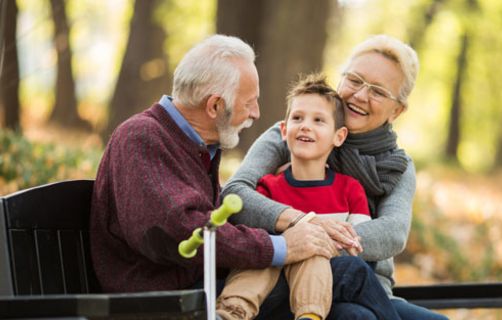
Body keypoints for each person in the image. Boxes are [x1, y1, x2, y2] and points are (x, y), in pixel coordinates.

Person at [89, 34, 404, 320]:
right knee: (349, 271)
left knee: (352, 316)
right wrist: (280, 246)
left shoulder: (193, 145)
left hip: (204, 285)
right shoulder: (143, 137)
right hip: (172, 301)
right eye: (249, 102)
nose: (255, 113)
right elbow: (181, 231)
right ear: (215, 105)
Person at [222, 35, 449, 320]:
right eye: (354, 80)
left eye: (378, 91)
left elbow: (392, 233)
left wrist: (317, 239)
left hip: (368, 285)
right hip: (283, 278)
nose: (360, 95)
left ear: (397, 110)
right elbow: (236, 193)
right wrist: (300, 224)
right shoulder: (291, 134)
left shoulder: (397, 166)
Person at [217, 74, 388, 320]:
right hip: (269, 284)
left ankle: (309, 316)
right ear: (284, 131)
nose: (305, 125)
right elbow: (257, 242)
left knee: (314, 249)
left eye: (319, 120)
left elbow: (359, 251)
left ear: (339, 136)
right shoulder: (268, 189)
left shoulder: (350, 190)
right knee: (271, 249)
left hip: (323, 284)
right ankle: (231, 313)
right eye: (297, 118)